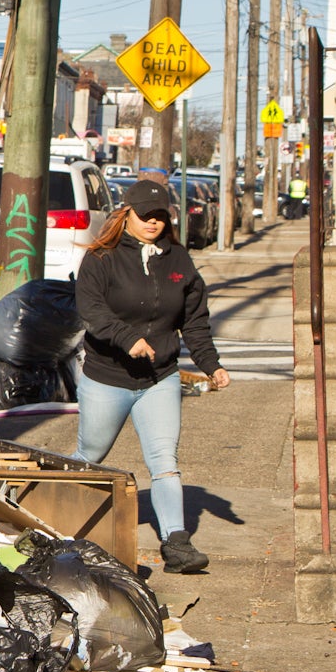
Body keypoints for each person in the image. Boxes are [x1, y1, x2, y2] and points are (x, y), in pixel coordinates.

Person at [73, 179, 228, 573]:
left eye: (161, 216)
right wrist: (128, 338)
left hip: (160, 378)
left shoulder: (178, 261)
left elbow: (195, 322)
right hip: (108, 376)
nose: (154, 223)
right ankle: (50, 518)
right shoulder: (101, 258)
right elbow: (92, 312)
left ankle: (176, 544)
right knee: (90, 456)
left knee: (165, 460)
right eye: (146, 216)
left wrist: (212, 365)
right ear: (126, 214)